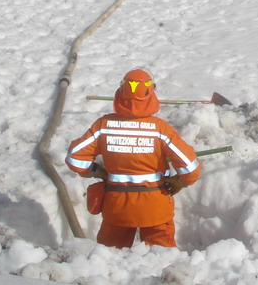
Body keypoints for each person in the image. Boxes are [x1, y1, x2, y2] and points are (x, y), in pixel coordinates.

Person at [66, 67, 201, 248]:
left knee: (108, 258)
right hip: (155, 208)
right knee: (161, 258)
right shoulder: (160, 130)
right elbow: (191, 168)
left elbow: (74, 157)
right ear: (151, 94)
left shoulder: (104, 126)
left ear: (121, 93)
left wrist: (97, 171)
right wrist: (180, 182)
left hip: (116, 208)